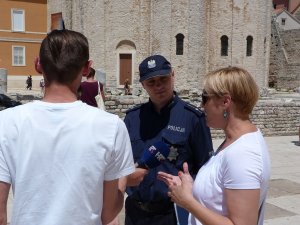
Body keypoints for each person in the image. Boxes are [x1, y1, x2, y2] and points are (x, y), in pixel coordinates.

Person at [0, 29, 135, 225]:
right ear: (87, 68)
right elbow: (108, 214)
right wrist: (122, 181)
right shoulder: (111, 127)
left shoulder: (6, 122)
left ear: (38, 65)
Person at [158, 66, 271, 225]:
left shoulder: (243, 154)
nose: (202, 106)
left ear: (225, 101)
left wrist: (187, 202)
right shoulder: (234, 142)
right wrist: (192, 187)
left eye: (205, 98)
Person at [123, 54, 213, 225]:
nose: (158, 86)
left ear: (173, 75)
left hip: (173, 214)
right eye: (151, 82)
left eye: (163, 79)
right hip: (136, 213)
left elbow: (206, 170)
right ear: (142, 84)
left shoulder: (192, 118)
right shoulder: (132, 119)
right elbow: (120, 164)